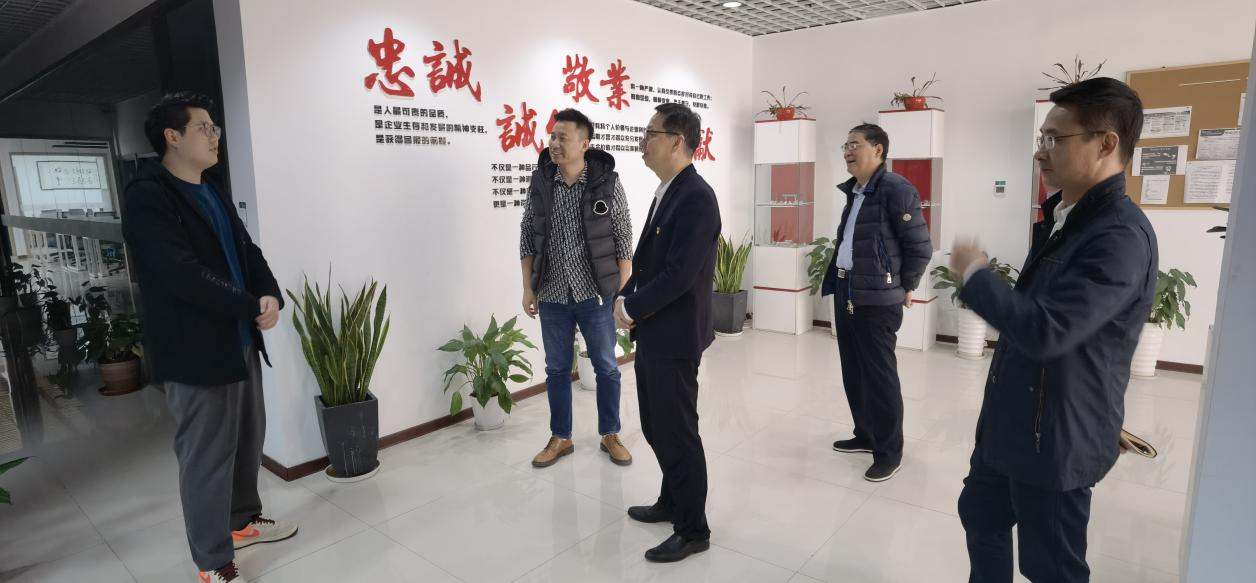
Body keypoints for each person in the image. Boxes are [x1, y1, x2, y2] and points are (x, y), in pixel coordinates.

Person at [952, 77, 1157, 582]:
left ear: (1106, 143)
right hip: (1014, 421)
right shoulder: (1064, 217)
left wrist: (977, 276)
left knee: (1052, 567)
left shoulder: (1118, 235)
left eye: (1054, 139)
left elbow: (1048, 330)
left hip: (1057, 438)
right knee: (980, 514)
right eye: (1041, 138)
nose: (1040, 152)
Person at [122, 92, 296, 583]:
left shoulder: (212, 188)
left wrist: (268, 294)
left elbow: (247, 250)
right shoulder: (149, 195)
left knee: (246, 441)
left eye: (214, 128)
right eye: (204, 128)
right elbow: (180, 273)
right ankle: (213, 561)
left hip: (239, 341)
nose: (215, 136)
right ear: (172, 137)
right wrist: (248, 305)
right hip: (196, 351)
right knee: (206, 457)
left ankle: (241, 522)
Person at [615, 102, 721, 563]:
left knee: (677, 432)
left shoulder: (696, 197)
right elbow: (647, 263)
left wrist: (631, 306)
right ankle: (671, 500)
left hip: (675, 336)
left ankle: (693, 528)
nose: (644, 141)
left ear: (677, 141)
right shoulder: (668, 190)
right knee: (657, 426)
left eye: (651, 133)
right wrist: (626, 297)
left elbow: (680, 274)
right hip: (656, 331)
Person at [519, 108, 634, 468]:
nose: (553, 143)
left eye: (562, 138)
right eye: (552, 136)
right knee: (556, 369)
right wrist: (527, 288)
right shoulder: (541, 182)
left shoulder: (606, 183)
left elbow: (623, 239)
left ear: (584, 144)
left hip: (595, 294)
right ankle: (560, 437)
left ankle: (610, 433)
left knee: (607, 367)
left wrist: (621, 295)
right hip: (552, 294)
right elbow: (527, 235)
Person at [821, 123, 933, 482]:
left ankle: (888, 452)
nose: (847, 151)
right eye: (845, 144)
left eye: (854, 144)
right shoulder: (855, 191)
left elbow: (920, 246)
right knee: (853, 369)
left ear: (878, 150)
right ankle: (866, 434)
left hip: (878, 297)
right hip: (847, 288)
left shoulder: (897, 189)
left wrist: (907, 284)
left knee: (879, 376)